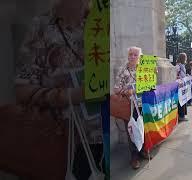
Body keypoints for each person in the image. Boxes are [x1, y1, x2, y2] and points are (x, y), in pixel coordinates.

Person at [15, 0, 105, 179]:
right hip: (62, 141)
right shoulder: (41, 26)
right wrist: (71, 96)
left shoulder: (103, 23)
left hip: (104, 140)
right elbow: (21, 90)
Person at [113, 46, 153, 169]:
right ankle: (134, 157)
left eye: (135, 55)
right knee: (132, 131)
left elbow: (151, 86)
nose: (132, 56)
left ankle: (142, 151)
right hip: (129, 106)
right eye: (130, 54)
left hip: (142, 104)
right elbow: (116, 89)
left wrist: (152, 77)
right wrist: (126, 91)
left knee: (143, 128)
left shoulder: (144, 69)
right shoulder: (122, 70)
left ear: (139, 57)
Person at [176, 53, 189, 121]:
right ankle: (181, 116)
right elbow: (175, 75)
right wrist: (180, 78)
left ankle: (183, 115)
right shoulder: (178, 66)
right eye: (185, 57)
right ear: (182, 58)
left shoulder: (182, 65)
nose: (186, 58)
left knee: (184, 100)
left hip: (183, 85)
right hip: (180, 85)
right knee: (181, 100)